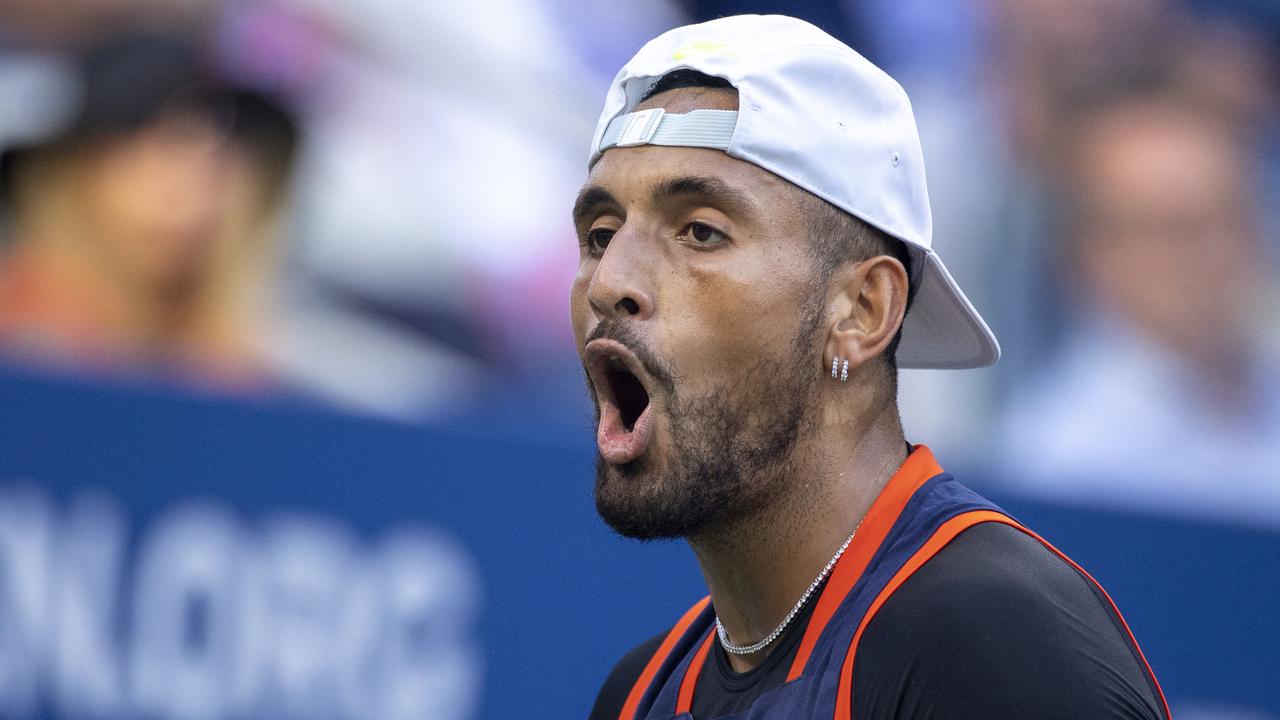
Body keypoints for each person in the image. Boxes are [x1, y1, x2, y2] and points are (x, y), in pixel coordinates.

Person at [569, 15, 1169, 719]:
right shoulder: (639, 693)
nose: (610, 281)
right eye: (601, 235)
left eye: (700, 231)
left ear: (861, 310)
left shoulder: (994, 645)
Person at [0, 30, 298, 391]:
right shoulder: (22, 336)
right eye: (151, 156)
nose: (185, 198)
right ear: (71, 174)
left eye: (213, 168)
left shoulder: (222, 359)